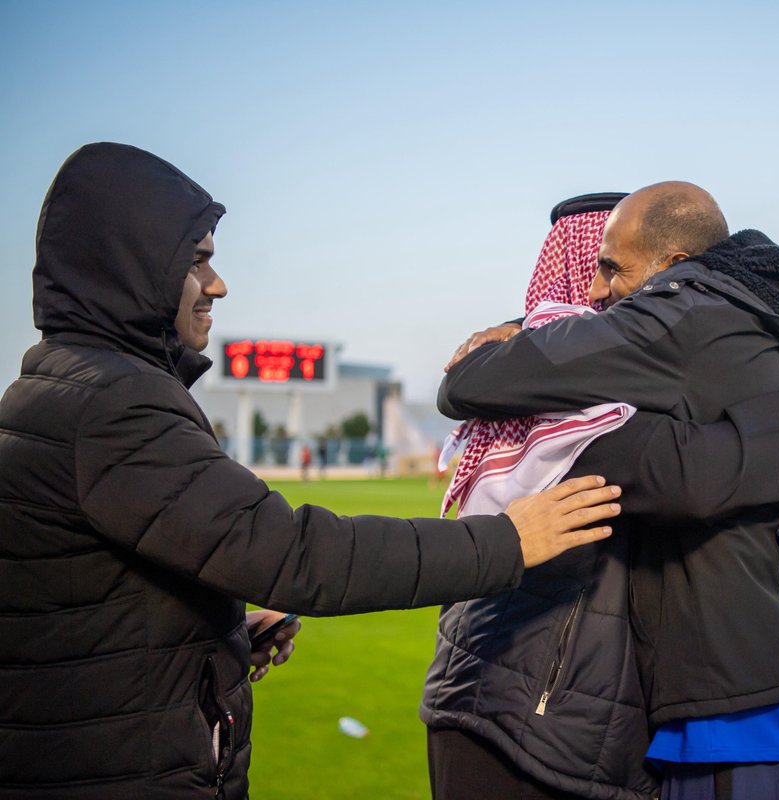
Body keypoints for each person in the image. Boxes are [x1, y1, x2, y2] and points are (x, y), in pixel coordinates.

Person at [0, 143, 622, 799]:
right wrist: (507, 540)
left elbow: (91, 613)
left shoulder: (56, 387)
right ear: (133, 266)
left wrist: (224, 633)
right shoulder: (113, 405)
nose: (218, 284)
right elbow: (299, 555)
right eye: (198, 261)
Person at [439, 182, 779, 799]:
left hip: (718, 711)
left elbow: (682, 466)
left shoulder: (675, 341)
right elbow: (678, 474)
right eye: (590, 264)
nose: (594, 292)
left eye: (612, 267)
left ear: (675, 273)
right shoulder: (572, 397)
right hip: (521, 707)